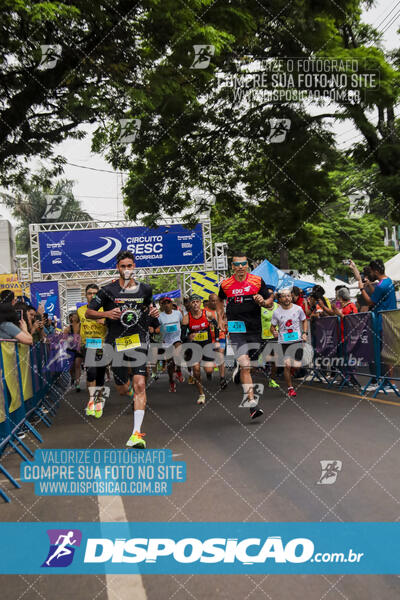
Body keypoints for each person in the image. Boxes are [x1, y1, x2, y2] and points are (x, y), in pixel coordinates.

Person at [86, 250, 159, 448]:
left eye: (130, 266)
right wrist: (108, 313)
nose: (126, 270)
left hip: (139, 340)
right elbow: (89, 312)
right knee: (122, 388)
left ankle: (136, 434)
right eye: (123, 266)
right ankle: (125, 394)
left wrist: (153, 311)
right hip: (116, 343)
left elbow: (151, 309)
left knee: (140, 385)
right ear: (117, 268)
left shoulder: (145, 290)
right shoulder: (107, 291)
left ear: (134, 267)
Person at [216, 253, 272, 419]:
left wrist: (262, 301)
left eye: (243, 264)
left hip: (254, 328)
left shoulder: (257, 281)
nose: (240, 267)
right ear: (232, 266)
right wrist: (221, 317)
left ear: (247, 265)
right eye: (237, 264)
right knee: (246, 364)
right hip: (236, 328)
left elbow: (270, 300)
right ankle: (252, 405)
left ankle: (240, 369)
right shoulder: (226, 284)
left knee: (252, 364)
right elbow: (219, 300)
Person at [77, 284, 108, 418]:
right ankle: (91, 400)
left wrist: (105, 322)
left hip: (102, 345)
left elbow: (114, 325)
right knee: (91, 372)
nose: (92, 296)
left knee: (100, 375)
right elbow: (79, 327)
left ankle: (99, 401)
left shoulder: (104, 309)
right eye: (89, 293)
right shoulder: (80, 310)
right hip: (88, 344)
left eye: (95, 293)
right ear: (85, 295)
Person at [270, 288, 307, 397]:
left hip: (297, 340)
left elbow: (304, 320)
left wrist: (305, 332)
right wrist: (274, 332)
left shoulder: (298, 309)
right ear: (280, 299)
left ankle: (291, 371)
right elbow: (272, 327)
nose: (287, 298)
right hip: (283, 342)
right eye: (284, 296)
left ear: (291, 297)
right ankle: (290, 388)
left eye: (288, 296)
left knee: (297, 364)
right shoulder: (276, 312)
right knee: (287, 365)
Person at [182, 294, 218, 404]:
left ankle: (208, 373)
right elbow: (182, 336)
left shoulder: (207, 314)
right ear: (190, 304)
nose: (195, 304)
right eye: (193, 302)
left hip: (206, 345)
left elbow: (216, 326)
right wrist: (188, 336)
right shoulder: (186, 318)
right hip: (194, 347)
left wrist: (216, 340)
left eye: (197, 301)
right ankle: (201, 394)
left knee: (209, 370)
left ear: (200, 303)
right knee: (196, 371)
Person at [158, 296, 184, 392]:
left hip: (176, 339)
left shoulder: (178, 313)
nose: (166, 305)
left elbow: (182, 323)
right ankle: (171, 381)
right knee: (170, 364)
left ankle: (179, 370)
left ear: (171, 304)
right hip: (166, 342)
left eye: (168, 302)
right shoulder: (160, 316)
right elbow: (158, 328)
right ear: (162, 306)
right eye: (164, 303)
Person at [207, 292, 227, 390]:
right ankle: (209, 372)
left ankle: (222, 378)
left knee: (220, 355)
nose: (214, 302)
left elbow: (225, 322)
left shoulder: (222, 311)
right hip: (209, 338)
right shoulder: (205, 311)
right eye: (212, 300)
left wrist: (226, 329)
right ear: (209, 301)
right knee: (209, 365)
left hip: (221, 336)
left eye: (216, 300)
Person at [260, 291, 280, 388]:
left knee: (275, 359)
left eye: (272, 296)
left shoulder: (278, 306)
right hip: (263, 337)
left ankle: (272, 379)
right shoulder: (260, 307)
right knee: (265, 358)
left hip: (275, 336)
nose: (271, 298)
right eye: (268, 296)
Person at [64, 312, 82, 392]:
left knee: (77, 365)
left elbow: (82, 336)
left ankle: (78, 383)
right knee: (71, 367)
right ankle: (72, 378)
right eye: (71, 317)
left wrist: (79, 345)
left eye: (75, 316)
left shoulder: (82, 327)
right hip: (70, 349)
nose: (73, 318)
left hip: (78, 348)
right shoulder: (68, 328)